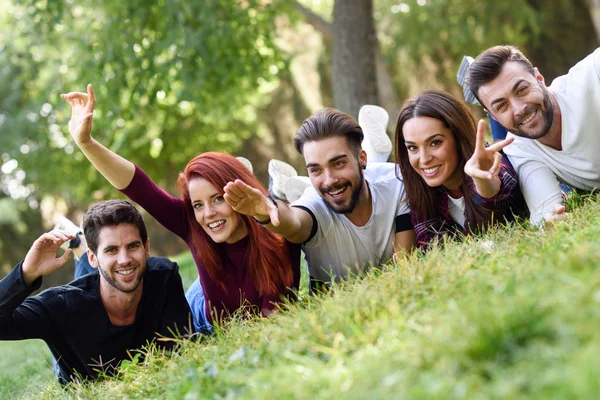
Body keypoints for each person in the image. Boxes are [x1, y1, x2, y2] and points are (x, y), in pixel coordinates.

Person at [61, 85, 300, 333]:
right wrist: (86, 143)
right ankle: (81, 246)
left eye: (218, 199)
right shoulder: (193, 224)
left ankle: (276, 194)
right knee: (103, 263)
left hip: (221, 308)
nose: (207, 214)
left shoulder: (277, 239)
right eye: (198, 204)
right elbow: (139, 187)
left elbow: (272, 323)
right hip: (201, 312)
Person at [0, 200, 191, 384]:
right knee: (99, 279)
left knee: (111, 273)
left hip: (100, 278)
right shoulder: (59, 306)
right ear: (93, 257)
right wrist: (26, 273)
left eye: (133, 246)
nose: (124, 258)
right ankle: (80, 244)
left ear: (146, 248)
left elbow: (183, 346)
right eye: (112, 250)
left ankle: (82, 243)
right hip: (75, 330)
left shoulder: (164, 276)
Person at [224, 108, 415, 290]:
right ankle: (280, 191)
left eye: (338, 163)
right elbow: (294, 224)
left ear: (362, 158)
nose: (329, 180)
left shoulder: (397, 182)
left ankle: (286, 187)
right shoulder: (314, 207)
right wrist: (264, 212)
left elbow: (403, 266)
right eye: (315, 170)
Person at [466, 45, 600, 226]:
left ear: (539, 78)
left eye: (521, 89)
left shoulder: (593, 73)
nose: (519, 109)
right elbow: (545, 215)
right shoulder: (520, 150)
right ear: (492, 114)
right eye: (501, 106)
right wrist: (553, 223)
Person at [395, 90, 527, 249]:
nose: (424, 159)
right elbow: (430, 246)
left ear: (458, 137)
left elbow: (494, 206)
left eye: (435, 143)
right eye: (412, 147)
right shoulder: (421, 190)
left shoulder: (493, 162)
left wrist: (483, 179)